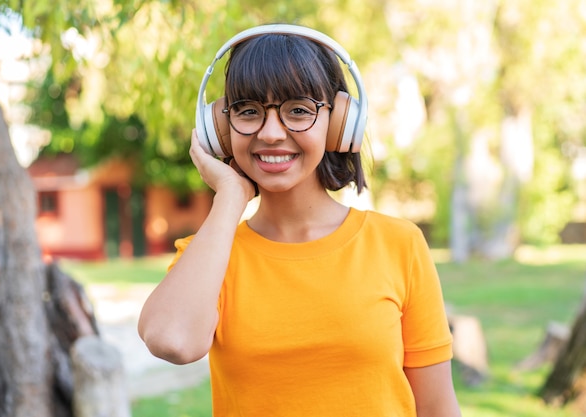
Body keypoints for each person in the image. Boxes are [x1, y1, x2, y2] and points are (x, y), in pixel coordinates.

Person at [138, 24, 462, 417]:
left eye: (298, 110)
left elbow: (438, 410)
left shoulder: (398, 244)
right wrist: (230, 196)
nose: (271, 133)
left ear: (340, 121)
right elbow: (172, 340)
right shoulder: (210, 256)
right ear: (220, 128)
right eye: (248, 111)